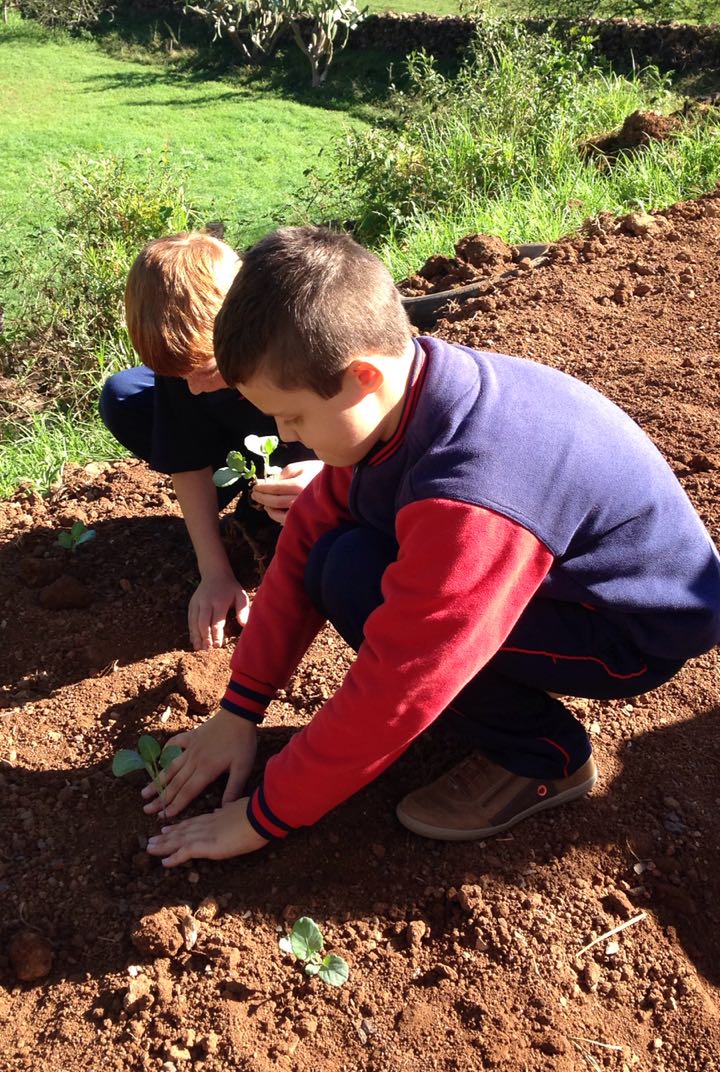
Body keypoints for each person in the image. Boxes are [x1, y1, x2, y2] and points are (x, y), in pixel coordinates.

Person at [142, 226, 720, 866]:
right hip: (564, 580)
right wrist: (239, 709)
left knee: (365, 585)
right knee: (338, 555)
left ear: (363, 375)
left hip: (628, 631)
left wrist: (261, 818)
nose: (285, 434)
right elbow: (308, 532)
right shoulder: (412, 392)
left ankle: (544, 758)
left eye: (294, 417)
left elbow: (404, 680)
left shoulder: (470, 492)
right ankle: (504, 711)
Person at [99, 231, 321, 651]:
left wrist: (330, 475)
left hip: (314, 436)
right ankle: (245, 484)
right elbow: (187, 462)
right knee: (123, 396)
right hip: (248, 435)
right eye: (183, 378)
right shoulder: (190, 376)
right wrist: (215, 572)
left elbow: (378, 424)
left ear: (242, 321)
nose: (195, 389)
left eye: (205, 370)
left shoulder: (300, 333)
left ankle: (284, 482)